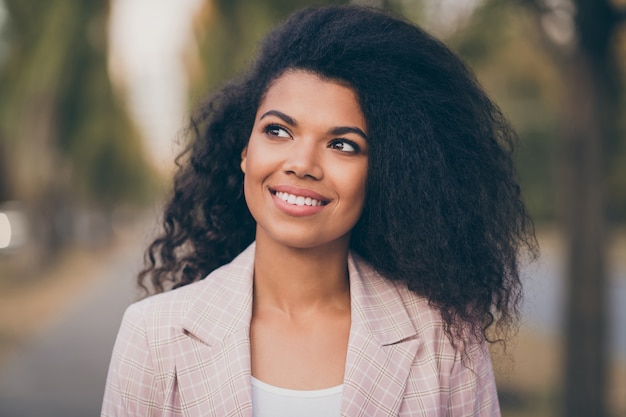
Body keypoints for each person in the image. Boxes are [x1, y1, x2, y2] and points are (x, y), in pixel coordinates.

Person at [102, 5, 536, 417]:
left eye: (342, 144)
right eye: (278, 131)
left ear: (385, 173)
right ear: (245, 153)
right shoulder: (153, 336)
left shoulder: (445, 341)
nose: (302, 164)